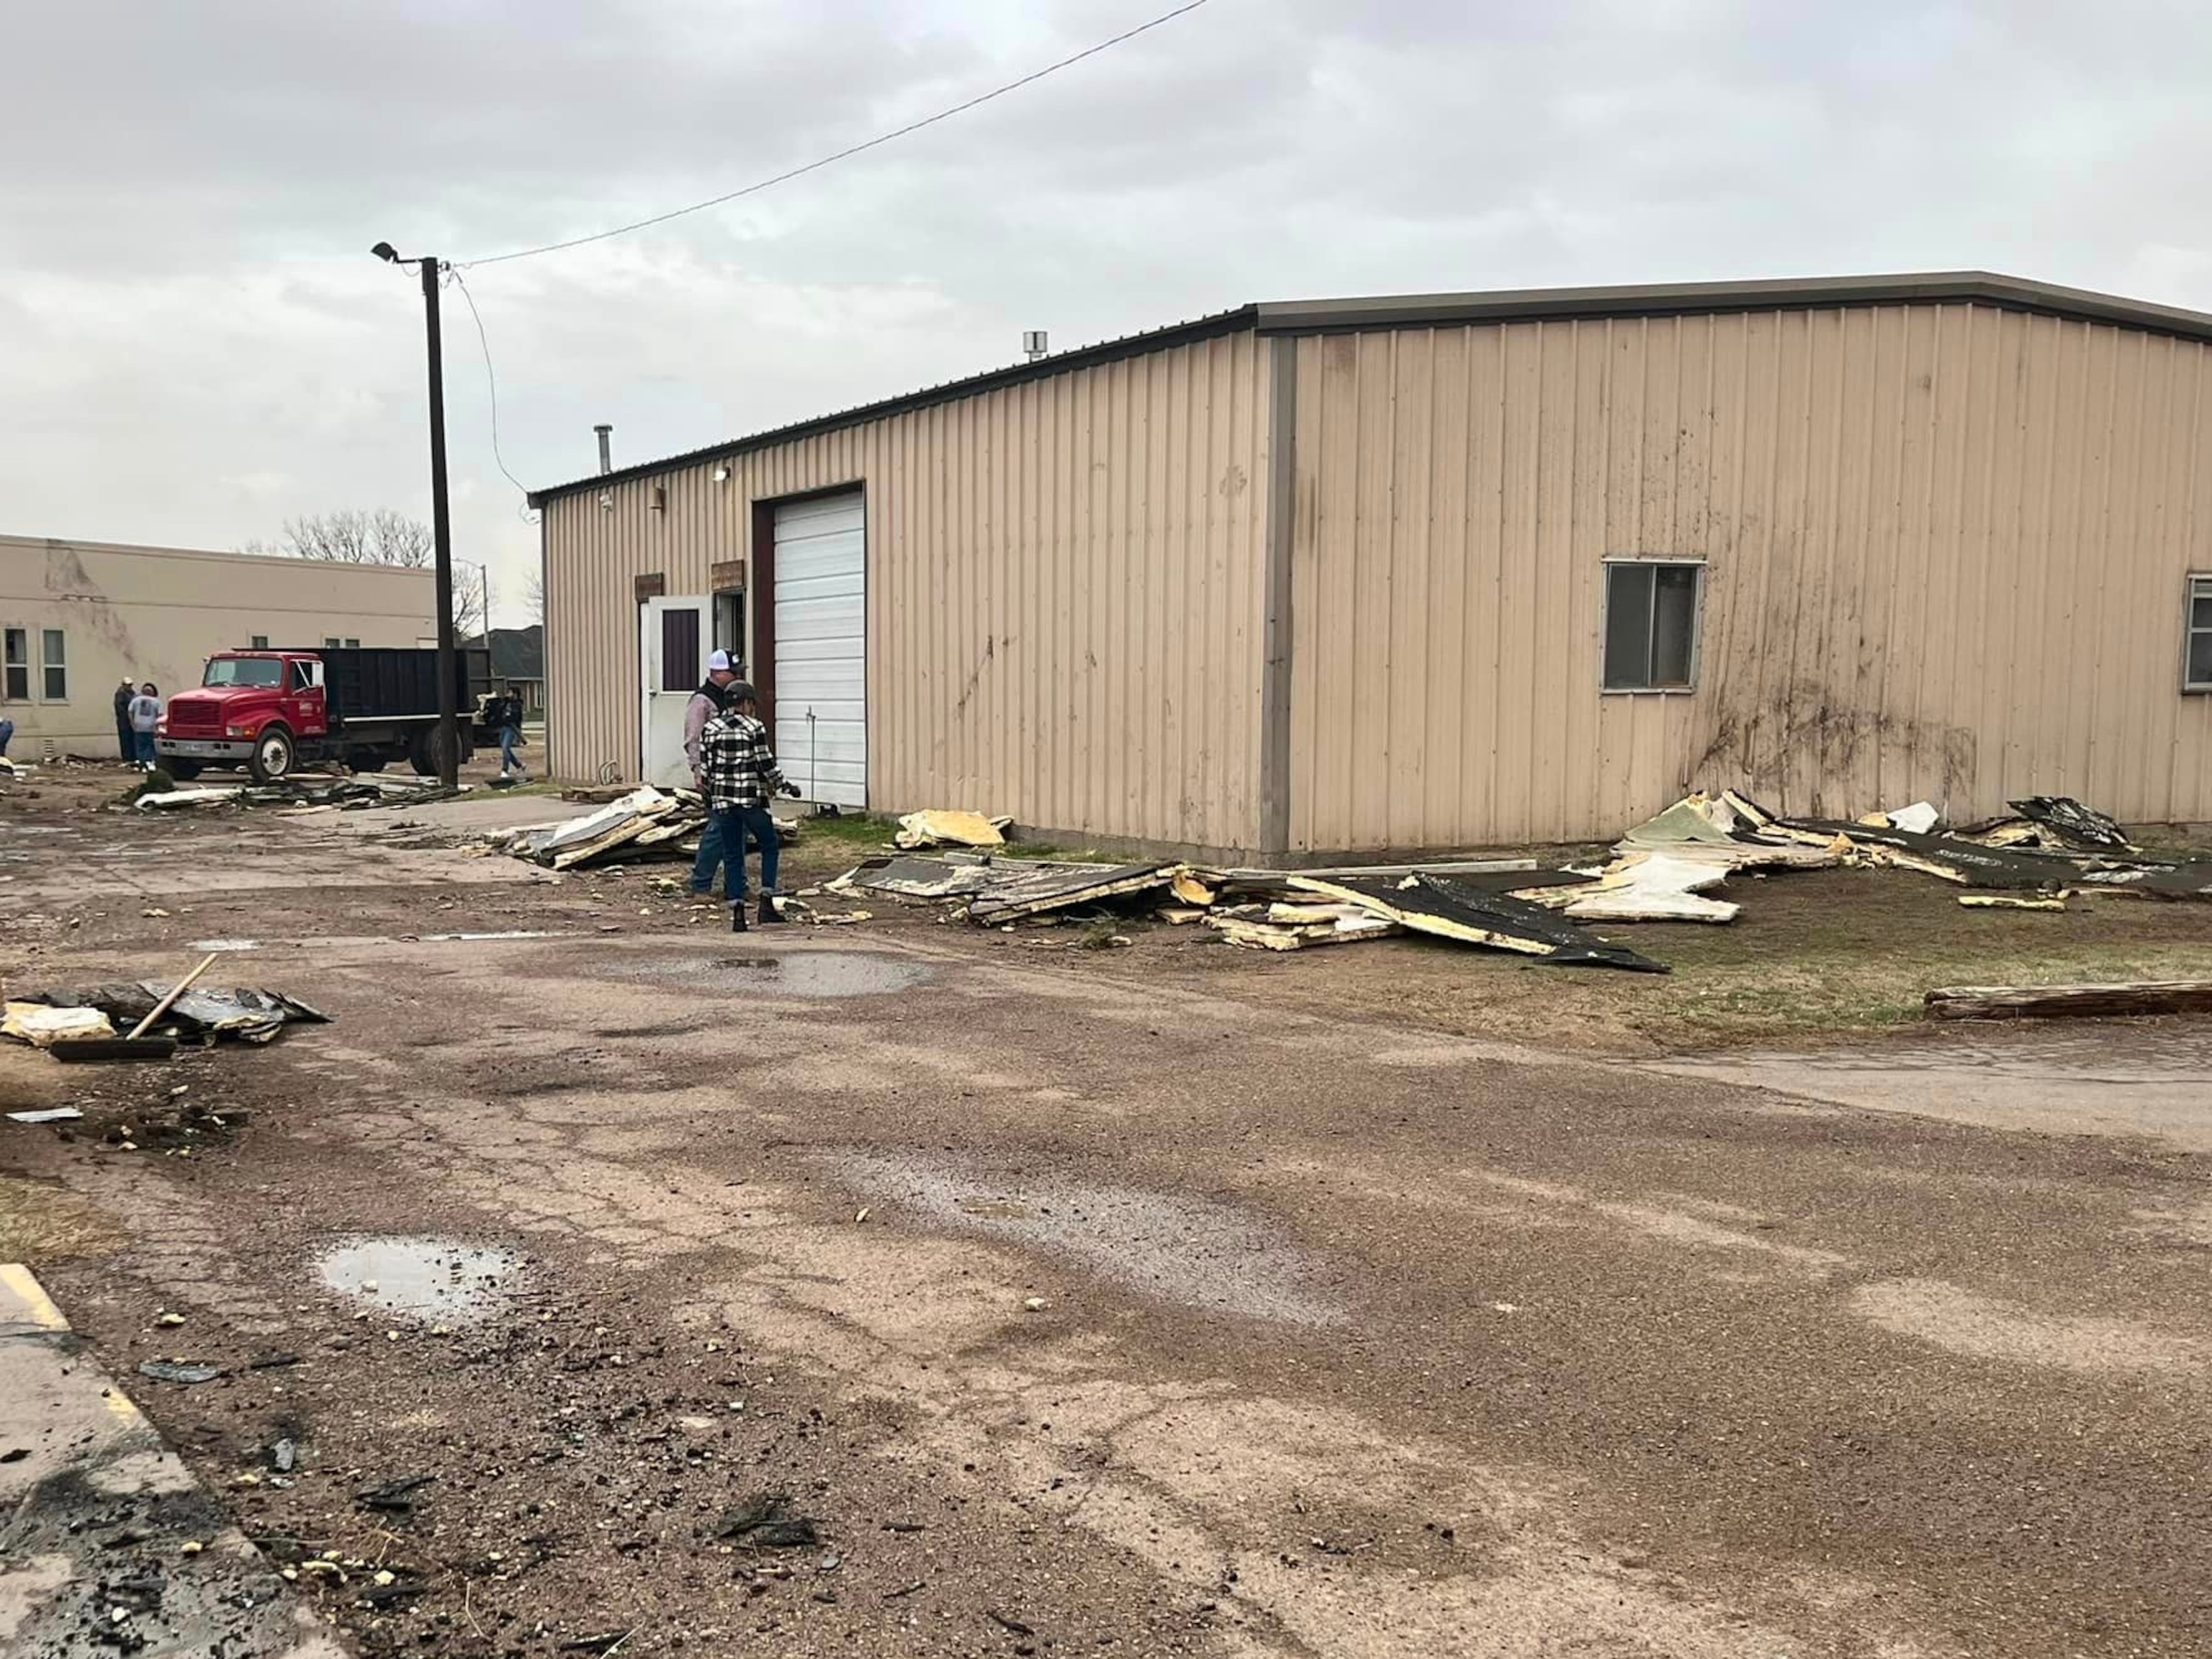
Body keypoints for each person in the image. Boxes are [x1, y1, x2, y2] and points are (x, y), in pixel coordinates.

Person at [696, 681, 799, 932]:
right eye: (751, 704)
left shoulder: (710, 728)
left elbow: (706, 767)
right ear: (746, 702)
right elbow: (766, 764)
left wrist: (712, 793)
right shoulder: (754, 727)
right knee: (769, 845)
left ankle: (738, 915)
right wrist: (786, 786)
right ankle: (766, 903)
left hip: (723, 802)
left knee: (732, 854)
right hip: (750, 800)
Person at [685, 649, 742, 896]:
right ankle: (701, 883)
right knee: (718, 829)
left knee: (738, 829)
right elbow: (693, 738)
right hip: (714, 774)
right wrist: (698, 772)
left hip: (735, 773)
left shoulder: (731, 697)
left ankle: (736, 886)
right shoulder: (702, 701)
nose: (738, 676)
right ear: (718, 673)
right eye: (734, 672)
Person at [495, 683, 529, 780]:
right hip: (504, 727)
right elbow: (499, 711)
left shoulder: (517, 705)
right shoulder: (506, 702)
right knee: (506, 750)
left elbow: (515, 717)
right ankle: (519, 766)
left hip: (511, 728)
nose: (508, 694)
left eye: (510, 692)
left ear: (515, 694)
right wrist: (504, 702)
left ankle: (505, 770)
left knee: (506, 748)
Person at [127, 682, 163, 770]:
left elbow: (130, 712)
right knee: (150, 745)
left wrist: (132, 724)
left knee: (140, 746)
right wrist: (158, 727)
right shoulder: (156, 702)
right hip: (151, 727)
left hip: (139, 727)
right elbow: (160, 715)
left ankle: (142, 762)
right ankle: (149, 762)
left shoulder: (135, 700)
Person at [113, 678, 136, 762]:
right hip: (124, 721)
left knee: (132, 738)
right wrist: (126, 716)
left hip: (131, 719)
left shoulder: (132, 693)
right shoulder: (120, 693)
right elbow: (119, 707)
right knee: (125, 739)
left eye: (130, 685)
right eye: (128, 685)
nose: (130, 687)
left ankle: (133, 756)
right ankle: (127, 758)